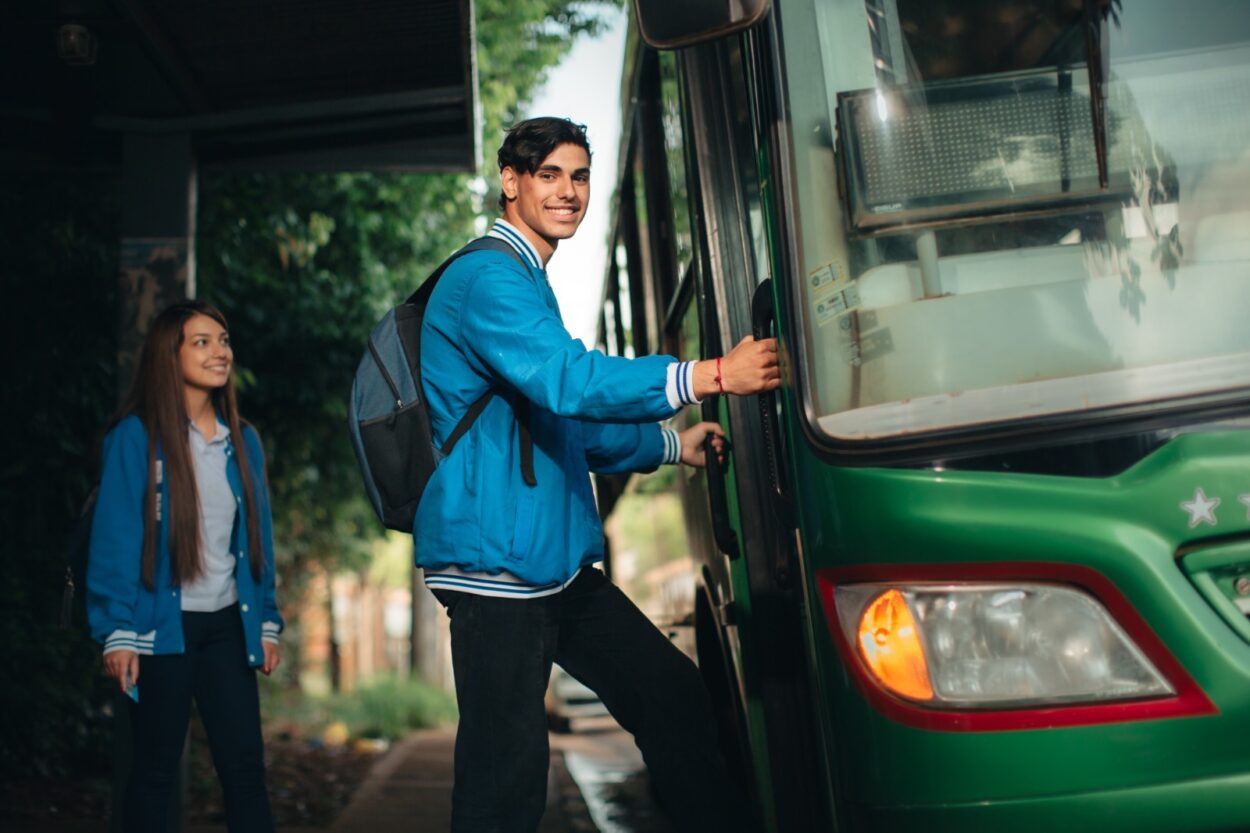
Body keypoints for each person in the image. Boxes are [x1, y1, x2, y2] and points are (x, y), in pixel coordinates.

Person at [418, 116, 779, 832]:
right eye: (548, 174)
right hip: (496, 570)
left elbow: (568, 426)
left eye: (579, 175)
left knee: (671, 694)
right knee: (505, 782)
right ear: (511, 182)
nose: (568, 191)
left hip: (551, 566)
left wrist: (674, 446)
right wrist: (707, 375)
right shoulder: (488, 276)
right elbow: (568, 383)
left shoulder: (525, 278)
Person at [87, 300, 283, 833]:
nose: (219, 351)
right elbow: (114, 539)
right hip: (158, 631)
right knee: (153, 772)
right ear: (168, 356)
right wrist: (117, 632)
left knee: (244, 771)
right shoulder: (135, 439)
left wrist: (266, 620)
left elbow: (259, 541)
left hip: (226, 627)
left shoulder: (243, 442)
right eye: (201, 342)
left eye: (223, 340)